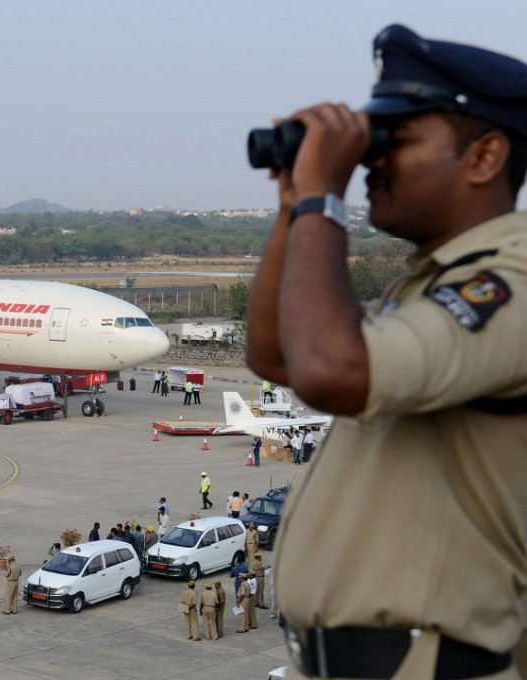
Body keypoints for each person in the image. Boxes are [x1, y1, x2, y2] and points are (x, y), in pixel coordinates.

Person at [246, 23, 527, 679]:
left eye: (391, 141)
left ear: (484, 158)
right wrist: (296, 205)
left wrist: (324, 195)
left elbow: (330, 370)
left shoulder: (511, 283)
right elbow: (279, 356)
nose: (370, 160)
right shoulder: (430, 285)